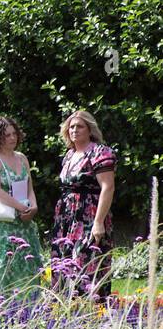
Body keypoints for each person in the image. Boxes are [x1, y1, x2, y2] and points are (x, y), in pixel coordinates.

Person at [50, 110, 117, 298]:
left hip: (89, 215)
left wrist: (98, 222)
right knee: (63, 263)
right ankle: (64, 312)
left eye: (79, 126)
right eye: (71, 127)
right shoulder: (69, 155)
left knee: (85, 261)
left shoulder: (100, 152)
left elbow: (108, 187)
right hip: (65, 218)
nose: (74, 130)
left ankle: (90, 311)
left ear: (90, 129)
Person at [0, 115, 42, 302]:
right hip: (1, 226)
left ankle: (26, 314)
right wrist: (22, 207)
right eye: (7, 135)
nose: (12, 138)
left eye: (14, 133)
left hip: (23, 224)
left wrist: (34, 207)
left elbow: (29, 187)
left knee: (25, 271)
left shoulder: (22, 158)